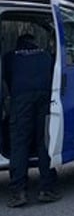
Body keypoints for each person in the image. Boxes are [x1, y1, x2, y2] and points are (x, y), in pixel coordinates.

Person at [4, 32, 61, 207]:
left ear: (19, 44)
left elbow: (6, 78)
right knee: (44, 142)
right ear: (34, 44)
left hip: (20, 100)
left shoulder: (10, 57)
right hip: (44, 99)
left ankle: (18, 193)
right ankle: (47, 189)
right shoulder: (45, 56)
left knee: (20, 144)